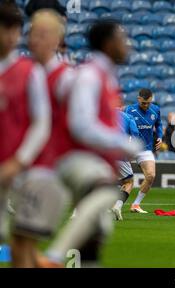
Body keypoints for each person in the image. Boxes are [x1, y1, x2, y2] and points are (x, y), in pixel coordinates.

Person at [39, 19, 142, 268]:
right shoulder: (90, 75)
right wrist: (124, 144)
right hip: (70, 156)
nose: (126, 45)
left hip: (88, 158)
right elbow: (80, 124)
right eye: (121, 39)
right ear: (108, 44)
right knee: (107, 190)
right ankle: (53, 257)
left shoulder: (103, 75)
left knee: (96, 233)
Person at [0, 4, 51, 266]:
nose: (10, 36)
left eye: (14, 30)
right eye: (5, 28)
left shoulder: (30, 72)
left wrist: (19, 160)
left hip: (20, 170)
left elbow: (42, 123)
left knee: (21, 243)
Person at [124, 88, 163, 214]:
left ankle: (135, 205)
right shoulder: (129, 110)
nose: (146, 106)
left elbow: (159, 124)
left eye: (148, 103)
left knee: (151, 176)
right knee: (119, 179)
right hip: (129, 146)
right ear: (138, 99)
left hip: (145, 148)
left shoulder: (155, 110)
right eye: (143, 103)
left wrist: (160, 137)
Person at [111, 110, 141, 221]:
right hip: (119, 153)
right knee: (129, 182)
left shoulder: (102, 113)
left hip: (103, 154)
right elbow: (135, 135)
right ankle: (117, 206)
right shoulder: (128, 117)